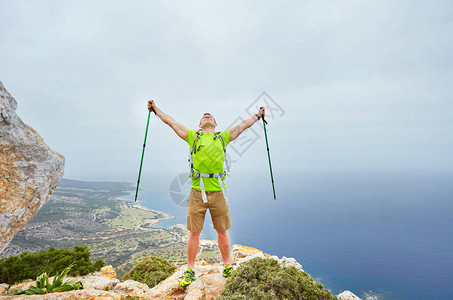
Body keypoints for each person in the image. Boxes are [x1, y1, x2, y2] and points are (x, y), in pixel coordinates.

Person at [147, 100, 265, 287]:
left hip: (218, 191)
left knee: (222, 230)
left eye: (210, 116)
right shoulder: (192, 136)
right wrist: (155, 110)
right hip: (196, 192)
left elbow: (243, 126)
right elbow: (171, 122)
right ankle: (190, 269)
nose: (207, 116)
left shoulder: (223, 137)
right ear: (199, 125)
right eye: (203, 116)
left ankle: (227, 265)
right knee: (194, 233)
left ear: (215, 124)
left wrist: (258, 116)